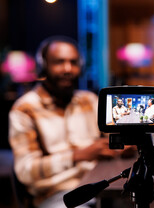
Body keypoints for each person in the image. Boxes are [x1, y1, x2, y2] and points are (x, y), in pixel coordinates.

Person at [8, 36, 129, 207]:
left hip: (102, 185)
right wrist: (78, 155)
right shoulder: (25, 109)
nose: (67, 69)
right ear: (44, 66)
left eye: (73, 62)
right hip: (57, 194)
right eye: (59, 62)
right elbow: (26, 171)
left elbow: (115, 139)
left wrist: (124, 145)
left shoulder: (89, 100)